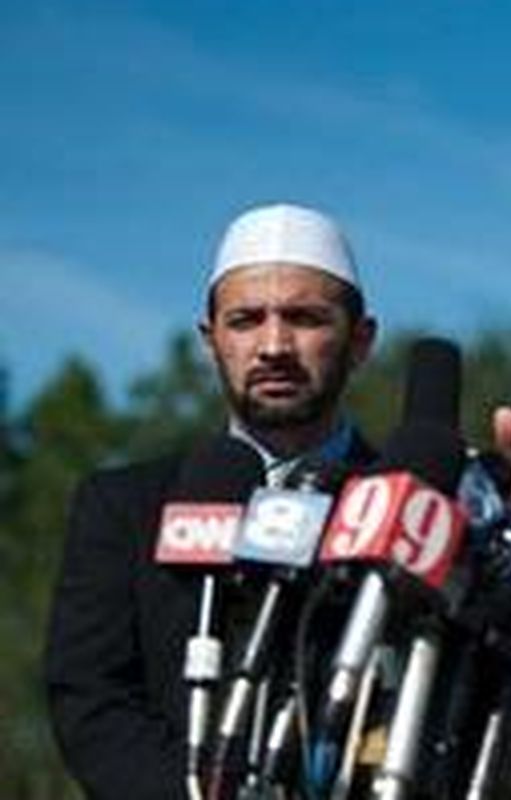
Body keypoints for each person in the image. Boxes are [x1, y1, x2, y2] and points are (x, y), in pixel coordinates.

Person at [45, 203, 379, 799]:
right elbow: (92, 702)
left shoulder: (413, 507)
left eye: (305, 318)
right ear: (211, 340)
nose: (274, 345)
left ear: (360, 341)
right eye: (245, 320)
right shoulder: (124, 507)